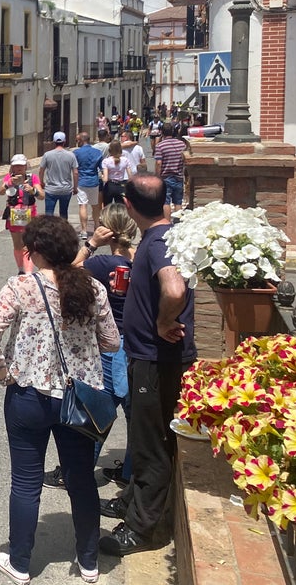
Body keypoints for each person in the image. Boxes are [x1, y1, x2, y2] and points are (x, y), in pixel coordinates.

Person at [0, 215, 118, 585]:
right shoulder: (93, 289)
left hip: (29, 395)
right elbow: (112, 342)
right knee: (81, 479)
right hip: (81, 399)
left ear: (36, 253)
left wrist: (1, 370)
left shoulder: (20, 287)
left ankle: (21, 563)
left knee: (25, 481)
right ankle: (89, 562)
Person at [99, 175, 195, 557]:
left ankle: (142, 529)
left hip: (157, 361)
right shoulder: (162, 235)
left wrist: (162, 321)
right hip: (148, 358)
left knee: (152, 442)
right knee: (141, 437)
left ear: (128, 204)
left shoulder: (157, 242)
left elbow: (173, 288)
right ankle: (131, 503)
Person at [45, 203, 137, 493]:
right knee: (134, 415)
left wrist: (91, 244)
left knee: (99, 411)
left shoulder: (101, 264)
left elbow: (64, 274)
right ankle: (131, 472)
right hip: (136, 343)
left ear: (107, 230)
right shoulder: (138, 261)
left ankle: (76, 472)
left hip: (111, 343)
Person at [1, 153, 42, 275]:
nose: (19, 168)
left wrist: (32, 190)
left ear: (26, 167)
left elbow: (42, 195)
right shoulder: (9, 178)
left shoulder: (32, 178)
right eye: (16, 166)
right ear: (12, 167)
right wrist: (8, 183)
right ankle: (20, 269)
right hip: (14, 213)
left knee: (28, 244)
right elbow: (1, 191)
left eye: (21, 166)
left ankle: (28, 272)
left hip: (29, 213)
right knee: (17, 244)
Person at [39, 132, 79, 220]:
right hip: (66, 189)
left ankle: (48, 231)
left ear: (54, 141)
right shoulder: (71, 155)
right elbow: (75, 172)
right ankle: (63, 231)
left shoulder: (47, 155)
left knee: (49, 213)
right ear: (64, 141)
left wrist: (41, 182)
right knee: (64, 212)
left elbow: (41, 170)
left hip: (51, 189)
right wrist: (75, 187)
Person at [153, 122, 188, 220]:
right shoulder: (182, 144)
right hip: (179, 176)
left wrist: (157, 176)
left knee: (166, 202)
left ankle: (167, 223)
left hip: (166, 177)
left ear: (161, 132)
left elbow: (159, 163)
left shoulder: (160, 146)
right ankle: (178, 223)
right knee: (178, 202)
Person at [73, 132, 104, 241]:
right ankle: (96, 226)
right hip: (94, 181)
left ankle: (84, 231)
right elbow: (102, 168)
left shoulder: (76, 153)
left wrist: (74, 185)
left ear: (81, 140)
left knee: (83, 205)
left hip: (82, 181)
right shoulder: (97, 152)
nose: (77, 143)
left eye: (78, 141)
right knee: (95, 205)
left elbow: (75, 169)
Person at [98, 142, 133, 208]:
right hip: (121, 185)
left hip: (110, 186)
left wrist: (101, 177)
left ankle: (107, 218)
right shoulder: (125, 160)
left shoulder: (106, 161)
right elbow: (130, 177)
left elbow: (105, 179)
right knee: (121, 208)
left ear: (110, 150)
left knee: (107, 207)